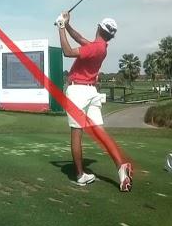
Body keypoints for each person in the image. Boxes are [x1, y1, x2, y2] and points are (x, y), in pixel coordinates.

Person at [56, 11, 132, 192]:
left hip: (77, 92)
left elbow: (67, 52)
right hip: (91, 91)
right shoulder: (100, 47)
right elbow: (80, 38)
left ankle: (81, 176)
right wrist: (67, 25)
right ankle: (121, 168)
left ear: (98, 27)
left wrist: (60, 28)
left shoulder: (94, 48)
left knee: (76, 133)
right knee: (100, 132)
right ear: (111, 36)